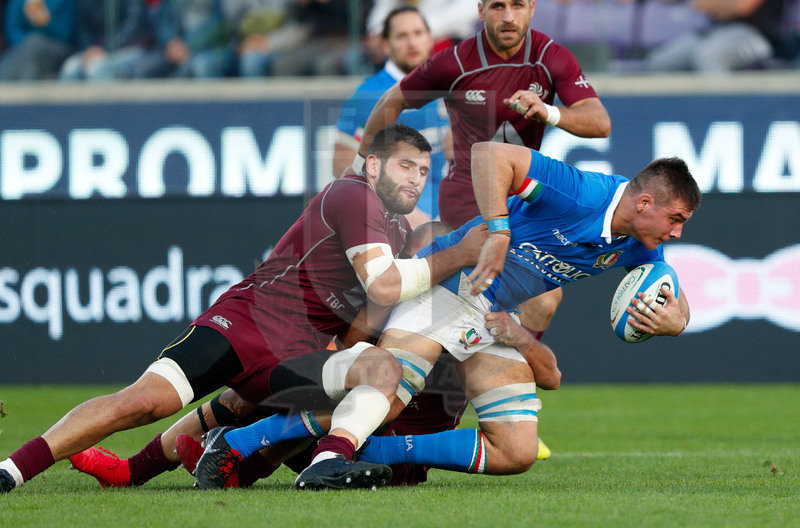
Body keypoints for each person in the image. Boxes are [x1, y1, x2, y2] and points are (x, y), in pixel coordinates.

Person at [0, 123, 485, 494]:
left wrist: (348, 345)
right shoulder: (352, 194)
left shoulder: (398, 234)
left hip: (295, 354)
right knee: (144, 402)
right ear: (374, 165)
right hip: (247, 322)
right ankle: (13, 471)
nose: (417, 179)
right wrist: (460, 255)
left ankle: (268, 462)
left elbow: (373, 311)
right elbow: (383, 285)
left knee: (370, 371)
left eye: (424, 171)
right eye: (406, 166)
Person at [197, 141, 700, 490]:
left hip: (492, 316)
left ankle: (365, 455)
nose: (676, 233)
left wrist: (678, 323)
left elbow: (671, 296)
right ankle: (258, 445)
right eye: (675, 219)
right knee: (388, 394)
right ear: (645, 201)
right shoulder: (581, 192)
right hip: (451, 284)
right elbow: (490, 155)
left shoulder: (639, 243)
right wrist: (499, 231)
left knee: (516, 450)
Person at [354, 0, 611, 361]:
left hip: (520, 200)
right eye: (497, 6)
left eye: (517, 5)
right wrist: (362, 170)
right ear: (480, 10)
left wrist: (549, 112)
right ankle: (362, 358)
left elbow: (600, 122)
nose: (508, 16)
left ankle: (503, 371)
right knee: (454, 296)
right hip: (467, 198)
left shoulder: (550, 57)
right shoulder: (456, 61)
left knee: (542, 301)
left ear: (532, 8)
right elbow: (393, 100)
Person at [333, 6, 450, 228]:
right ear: (386, 45)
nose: (412, 43)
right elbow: (342, 165)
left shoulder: (447, 85)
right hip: (404, 226)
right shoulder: (368, 95)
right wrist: (402, 213)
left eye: (418, 33)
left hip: (450, 213)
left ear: (430, 39)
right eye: (402, 36)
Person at [645, 0, 792, 73]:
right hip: (715, 32)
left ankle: (720, 112)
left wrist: (721, 6)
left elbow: (742, 7)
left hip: (759, 37)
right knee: (660, 62)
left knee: (709, 56)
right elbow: (699, 4)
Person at [58, 0, 151, 81]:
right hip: (93, 51)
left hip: (129, 48)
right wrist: (89, 49)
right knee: (70, 68)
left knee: (96, 69)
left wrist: (106, 48)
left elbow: (134, 25)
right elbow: (83, 30)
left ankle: (109, 101)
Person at [0, 0, 74, 81]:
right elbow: (12, 30)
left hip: (58, 48)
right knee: (31, 67)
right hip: (25, 50)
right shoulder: (18, 2)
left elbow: (67, 34)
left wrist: (46, 23)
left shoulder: (64, 2)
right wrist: (25, 46)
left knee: (34, 43)